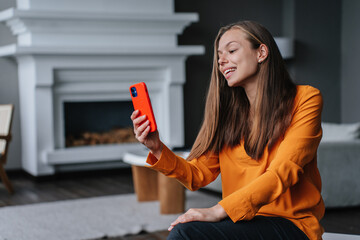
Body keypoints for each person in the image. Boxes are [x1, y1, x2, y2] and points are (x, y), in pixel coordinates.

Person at [130, 20, 324, 240]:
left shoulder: (305, 99)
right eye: (219, 55)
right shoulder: (229, 114)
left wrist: (217, 210)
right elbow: (197, 174)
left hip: (291, 226)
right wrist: (157, 148)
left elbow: (283, 171)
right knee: (185, 231)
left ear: (261, 52)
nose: (222, 61)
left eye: (231, 50)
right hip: (241, 221)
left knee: (186, 233)